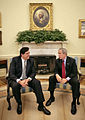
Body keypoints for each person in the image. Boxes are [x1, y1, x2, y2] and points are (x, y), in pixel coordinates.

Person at [7, 47, 51, 115]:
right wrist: (20, 81)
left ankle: (41, 105)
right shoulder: (15, 60)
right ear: (22, 54)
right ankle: (19, 104)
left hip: (27, 79)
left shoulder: (31, 60)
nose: (29, 55)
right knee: (15, 86)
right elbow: (11, 74)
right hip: (17, 79)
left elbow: (33, 72)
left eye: (29, 53)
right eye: (27, 53)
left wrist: (28, 79)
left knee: (37, 82)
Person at [46, 48, 80, 115]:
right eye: (58, 53)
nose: (58, 55)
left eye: (59, 53)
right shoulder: (57, 61)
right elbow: (55, 70)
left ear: (64, 54)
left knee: (76, 82)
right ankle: (52, 97)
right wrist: (57, 75)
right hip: (61, 77)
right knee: (51, 78)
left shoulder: (72, 60)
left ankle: (73, 102)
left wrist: (66, 79)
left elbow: (74, 72)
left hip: (70, 77)